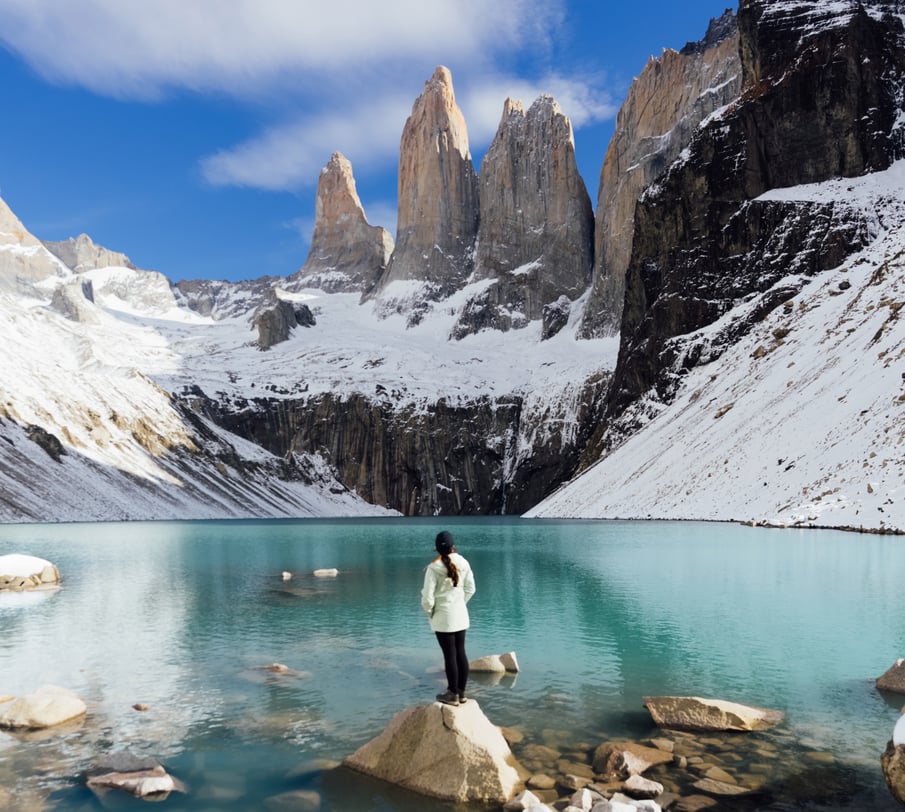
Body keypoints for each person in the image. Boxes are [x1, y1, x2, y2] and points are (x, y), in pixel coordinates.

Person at [421, 530, 476, 706]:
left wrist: (431, 612)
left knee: (449, 655)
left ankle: (452, 694)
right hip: (460, 615)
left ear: (437, 549)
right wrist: (461, 603)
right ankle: (461, 692)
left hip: (443, 617)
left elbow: (427, 599)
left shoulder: (433, 568)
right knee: (461, 653)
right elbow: (471, 589)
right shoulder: (464, 563)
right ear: (453, 546)